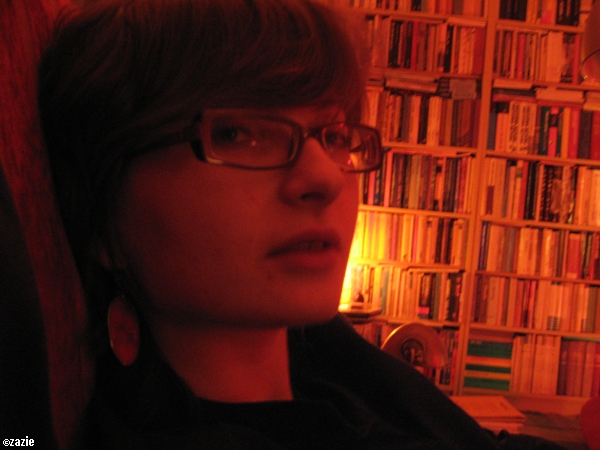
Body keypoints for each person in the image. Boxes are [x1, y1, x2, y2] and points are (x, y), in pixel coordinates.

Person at [37, 0, 567, 448]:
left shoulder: (329, 358)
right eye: (240, 132)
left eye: (334, 136)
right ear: (105, 211)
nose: (326, 177)